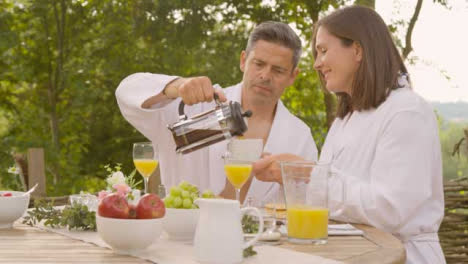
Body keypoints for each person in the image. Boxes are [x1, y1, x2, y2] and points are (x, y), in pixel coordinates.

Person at [252, 6, 445, 264]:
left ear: (357, 50)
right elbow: (333, 199)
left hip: (402, 257)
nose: (317, 63)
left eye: (323, 50)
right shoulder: (345, 119)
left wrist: (309, 173)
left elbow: (390, 209)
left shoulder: (407, 112)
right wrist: (291, 175)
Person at [115, 21, 318, 204]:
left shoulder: (300, 137)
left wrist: (290, 179)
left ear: (293, 76)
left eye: (278, 70)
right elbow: (126, 92)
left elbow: (310, 201)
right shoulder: (198, 106)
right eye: (259, 64)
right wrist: (175, 86)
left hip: (266, 243)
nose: (265, 75)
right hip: (184, 239)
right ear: (243, 61)